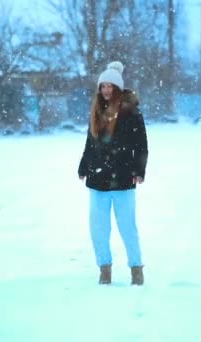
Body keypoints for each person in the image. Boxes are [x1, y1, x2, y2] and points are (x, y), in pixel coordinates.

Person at [78, 61, 149, 286]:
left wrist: (139, 170)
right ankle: (104, 269)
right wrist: (83, 165)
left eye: (110, 86)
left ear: (118, 88)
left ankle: (136, 270)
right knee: (98, 228)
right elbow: (91, 143)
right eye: (103, 86)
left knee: (127, 227)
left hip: (124, 178)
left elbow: (141, 146)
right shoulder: (96, 112)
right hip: (98, 179)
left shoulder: (132, 113)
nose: (106, 90)